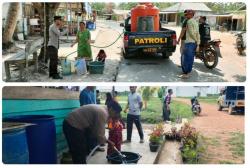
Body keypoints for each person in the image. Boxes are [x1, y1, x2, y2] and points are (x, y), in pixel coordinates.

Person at [179, 10, 200, 79]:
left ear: (191, 15)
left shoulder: (189, 21)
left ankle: (186, 73)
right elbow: (197, 33)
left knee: (186, 58)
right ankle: (188, 72)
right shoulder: (195, 22)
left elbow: (191, 33)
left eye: (187, 14)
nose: (186, 16)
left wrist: (196, 40)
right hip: (193, 43)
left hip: (189, 42)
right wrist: (198, 42)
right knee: (190, 58)